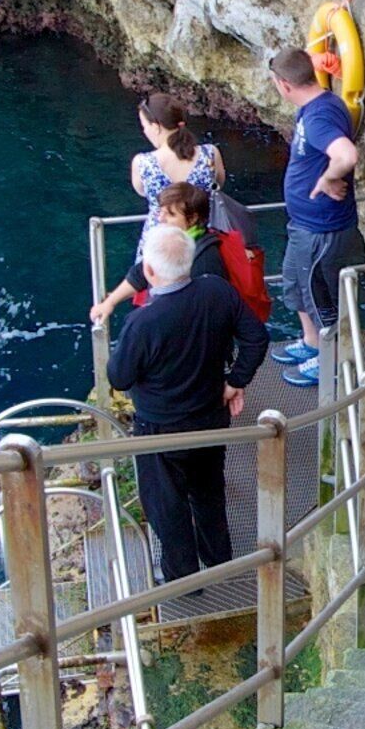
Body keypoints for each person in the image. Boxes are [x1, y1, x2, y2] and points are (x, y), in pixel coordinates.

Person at [109, 221, 264, 584]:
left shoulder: (142, 322)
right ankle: (219, 561)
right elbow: (256, 338)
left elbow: (119, 377)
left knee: (167, 505)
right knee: (208, 491)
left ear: (148, 271)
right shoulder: (217, 291)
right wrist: (234, 381)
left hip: (159, 429)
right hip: (210, 416)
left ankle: (183, 579)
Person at [270, 43, 359, 386]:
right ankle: (310, 343)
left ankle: (330, 363)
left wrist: (327, 179)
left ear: (285, 85)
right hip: (304, 224)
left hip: (321, 227)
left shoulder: (320, 115)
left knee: (319, 296)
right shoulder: (317, 106)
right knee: (295, 283)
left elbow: (346, 155)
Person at [94, 179, 268, 325]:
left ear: (192, 218)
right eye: (160, 212)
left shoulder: (207, 262)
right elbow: (140, 273)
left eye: (170, 214)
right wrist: (110, 302)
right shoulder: (176, 241)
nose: (160, 219)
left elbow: (206, 315)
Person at [127, 93, 225, 214]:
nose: (144, 131)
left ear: (155, 127)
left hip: (161, 231)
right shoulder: (210, 153)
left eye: (144, 126)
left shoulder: (142, 163)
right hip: (204, 231)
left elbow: (143, 192)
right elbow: (218, 184)